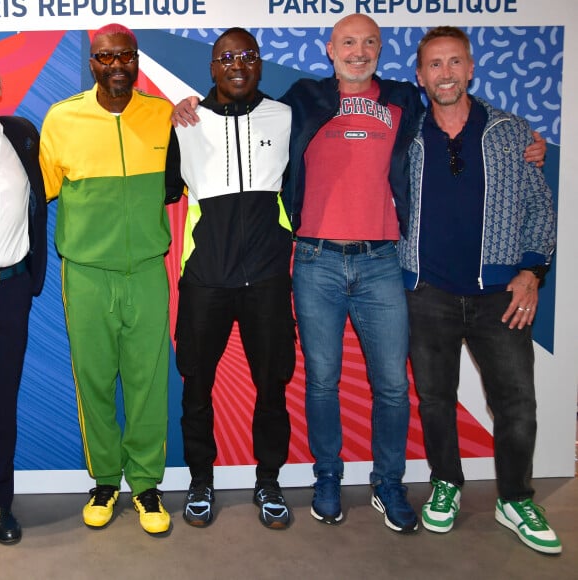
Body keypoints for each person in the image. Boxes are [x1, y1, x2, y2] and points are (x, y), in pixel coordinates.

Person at [172, 15, 545, 533]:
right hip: (315, 261)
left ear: (381, 51)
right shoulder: (301, 99)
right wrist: (185, 104)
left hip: (381, 263)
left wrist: (523, 142)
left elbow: (453, 117)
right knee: (320, 382)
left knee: (392, 385)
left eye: (370, 42)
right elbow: (219, 120)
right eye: (348, 42)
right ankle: (325, 478)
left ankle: (386, 484)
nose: (359, 51)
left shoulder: (401, 100)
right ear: (330, 49)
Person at [399, 26, 561, 554]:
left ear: (470, 69)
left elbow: (540, 209)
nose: (444, 73)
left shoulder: (514, 133)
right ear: (420, 76)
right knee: (435, 399)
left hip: (500, 294)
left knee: (517, 403)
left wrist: (531, 272)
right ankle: (446, 482)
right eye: (434, 65)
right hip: (427, 292)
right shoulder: (407, 134)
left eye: (454, 62)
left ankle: (515, 497)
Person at [39, 23, 176, 536]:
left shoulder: (163, 116)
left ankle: (145, 485)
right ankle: (104, 480)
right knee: (93, 380)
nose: (116, 64)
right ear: (91, 62)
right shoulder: (62, 118)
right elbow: (39, 195)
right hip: (87, 273)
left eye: (125, 55)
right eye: (104, 56)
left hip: (146, 270)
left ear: (136, 60)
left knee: (147, 382)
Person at [165, 27, 295, 530]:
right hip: (206, 282)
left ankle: (268, 481)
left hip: (265, 281)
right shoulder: (184, 122)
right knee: (196, 385)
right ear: (212, 67)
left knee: (272, 386)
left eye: (246, 56)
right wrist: (173, 110)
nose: (236, 64)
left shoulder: (284, 116)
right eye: (225, 57)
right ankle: (201, 481)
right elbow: (164, 190)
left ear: (259, 64)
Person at [0, 74, 47, 545]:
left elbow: (38, 202)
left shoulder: (18, 133)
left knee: (2, 406)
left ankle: (1, 506)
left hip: (9, 289)